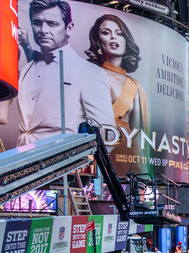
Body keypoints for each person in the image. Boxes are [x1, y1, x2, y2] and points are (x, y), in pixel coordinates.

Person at [16, 0, 115, 146]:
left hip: (65, 165)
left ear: (69, 28)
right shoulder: (27, 69)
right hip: (22, 163)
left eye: (52, 24)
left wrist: (77, 164)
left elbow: (107, 137)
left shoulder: (90, 72)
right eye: (37, 23)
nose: (43, 30)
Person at [84, 14, 149, 145]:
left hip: (125, 156)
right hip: (93, 151)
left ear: (126, 41)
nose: (113, 37)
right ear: (98, 41)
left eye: (119, 33)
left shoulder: (135, 86)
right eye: (106, 33)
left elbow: (140, 135)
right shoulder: (86, 75)